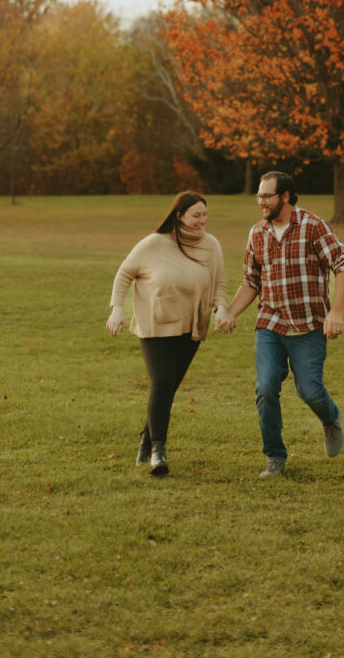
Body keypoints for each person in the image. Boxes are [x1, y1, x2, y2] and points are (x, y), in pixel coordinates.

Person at [217, 171, 344, 479]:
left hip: (308, 326)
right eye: (259, 196)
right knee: (265, 387)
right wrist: (230, 312)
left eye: (266, 196)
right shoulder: (257, 233)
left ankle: (330, 418)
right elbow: (251, 281)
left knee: (310, 391)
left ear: (286, 196)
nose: (260, 202)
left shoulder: (312, 226)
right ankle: (275, 458)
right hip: (271, 324)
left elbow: (343, 265)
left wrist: (337, 312)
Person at [106, 191, 228, 476]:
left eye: (205, 215)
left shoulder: (211, 246)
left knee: (168, 388)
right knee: (162, 384)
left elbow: (219, 283)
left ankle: (146, 440)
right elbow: (124, 274)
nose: (202, 221)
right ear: (179, 215)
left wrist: (222, 308)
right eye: (196, 215)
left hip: (192, 326)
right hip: (155, 325)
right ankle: (158, 453)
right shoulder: (153, 244)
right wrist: (117, 310)